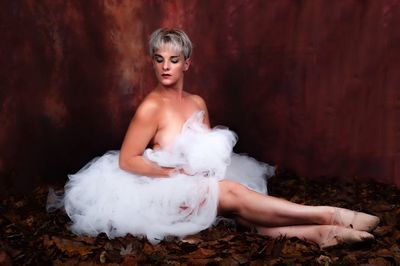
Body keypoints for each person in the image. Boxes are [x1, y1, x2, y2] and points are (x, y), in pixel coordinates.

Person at [54, 28, 380, 249]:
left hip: (196, 182)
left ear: (187, 64)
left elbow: (207, 150)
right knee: (235, 196)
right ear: (153, 63)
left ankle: (322, 234)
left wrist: (205, 171)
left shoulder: (197, 103)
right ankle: (329, 214)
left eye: (174, 59)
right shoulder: (150, 108)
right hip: (162, 191)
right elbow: (128, 160)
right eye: (159, 59)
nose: (165, 67)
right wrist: (173, 173)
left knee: (242, 210)